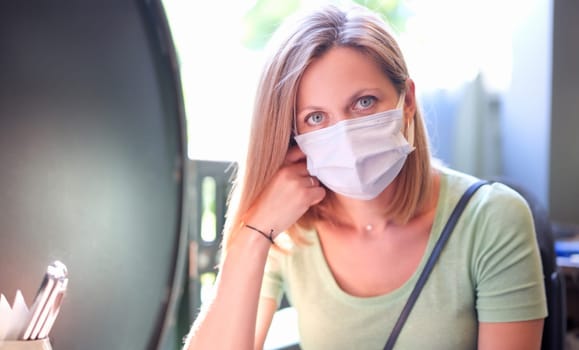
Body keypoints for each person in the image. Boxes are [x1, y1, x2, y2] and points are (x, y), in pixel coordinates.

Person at [183, 3, 547, 350]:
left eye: (363, 102)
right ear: (293, 138)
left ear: (407, 101)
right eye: (315, 118)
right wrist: (254, 234)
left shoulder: (491, 218)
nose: (345, 136)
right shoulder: (290, 234)